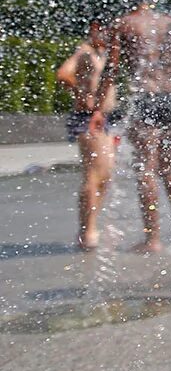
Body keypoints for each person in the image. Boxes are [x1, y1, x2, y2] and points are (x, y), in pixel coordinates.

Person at [90, 0, 171, 254]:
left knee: (146, 168)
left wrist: (99, 107)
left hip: (147, 96)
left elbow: (111, 70)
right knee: (169, 167)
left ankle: (153, 239)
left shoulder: (124, 24)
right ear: (151, 1)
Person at [57, 20, 117, 251]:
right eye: (103, 29)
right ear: (94, 28)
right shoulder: (85, 51)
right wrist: (83, 94)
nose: (109, 34)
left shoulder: (103, 52)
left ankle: (89, 227)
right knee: (94, 174)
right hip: (88, 117)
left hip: (103, 118)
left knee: (105, 175)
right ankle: (87, 232)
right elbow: (63, 74)